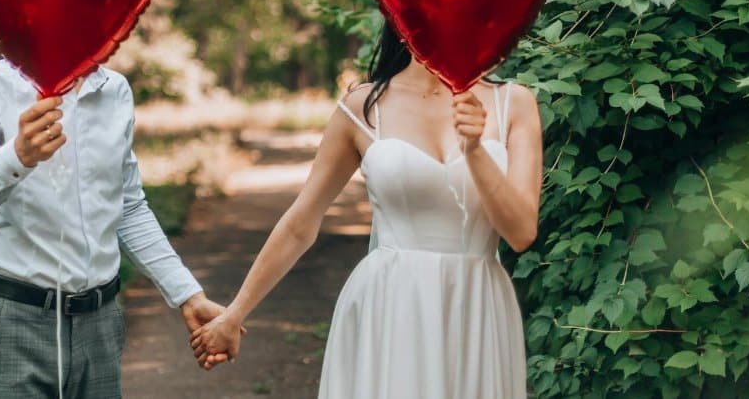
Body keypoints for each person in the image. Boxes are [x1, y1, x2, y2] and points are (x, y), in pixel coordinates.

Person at [190, 24, 544, 398]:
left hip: (476, 307)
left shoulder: (513, 103)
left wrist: (475, 150)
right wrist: (235, 313)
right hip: (389, 308)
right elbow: (301, 221)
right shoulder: (363, 107)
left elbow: (521, 233)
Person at [0, 59, 229, 398]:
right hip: (14, 323)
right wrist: (16, 157)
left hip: (101, 326)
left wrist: (188, 296)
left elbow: (129, 207)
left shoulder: (115, 90)